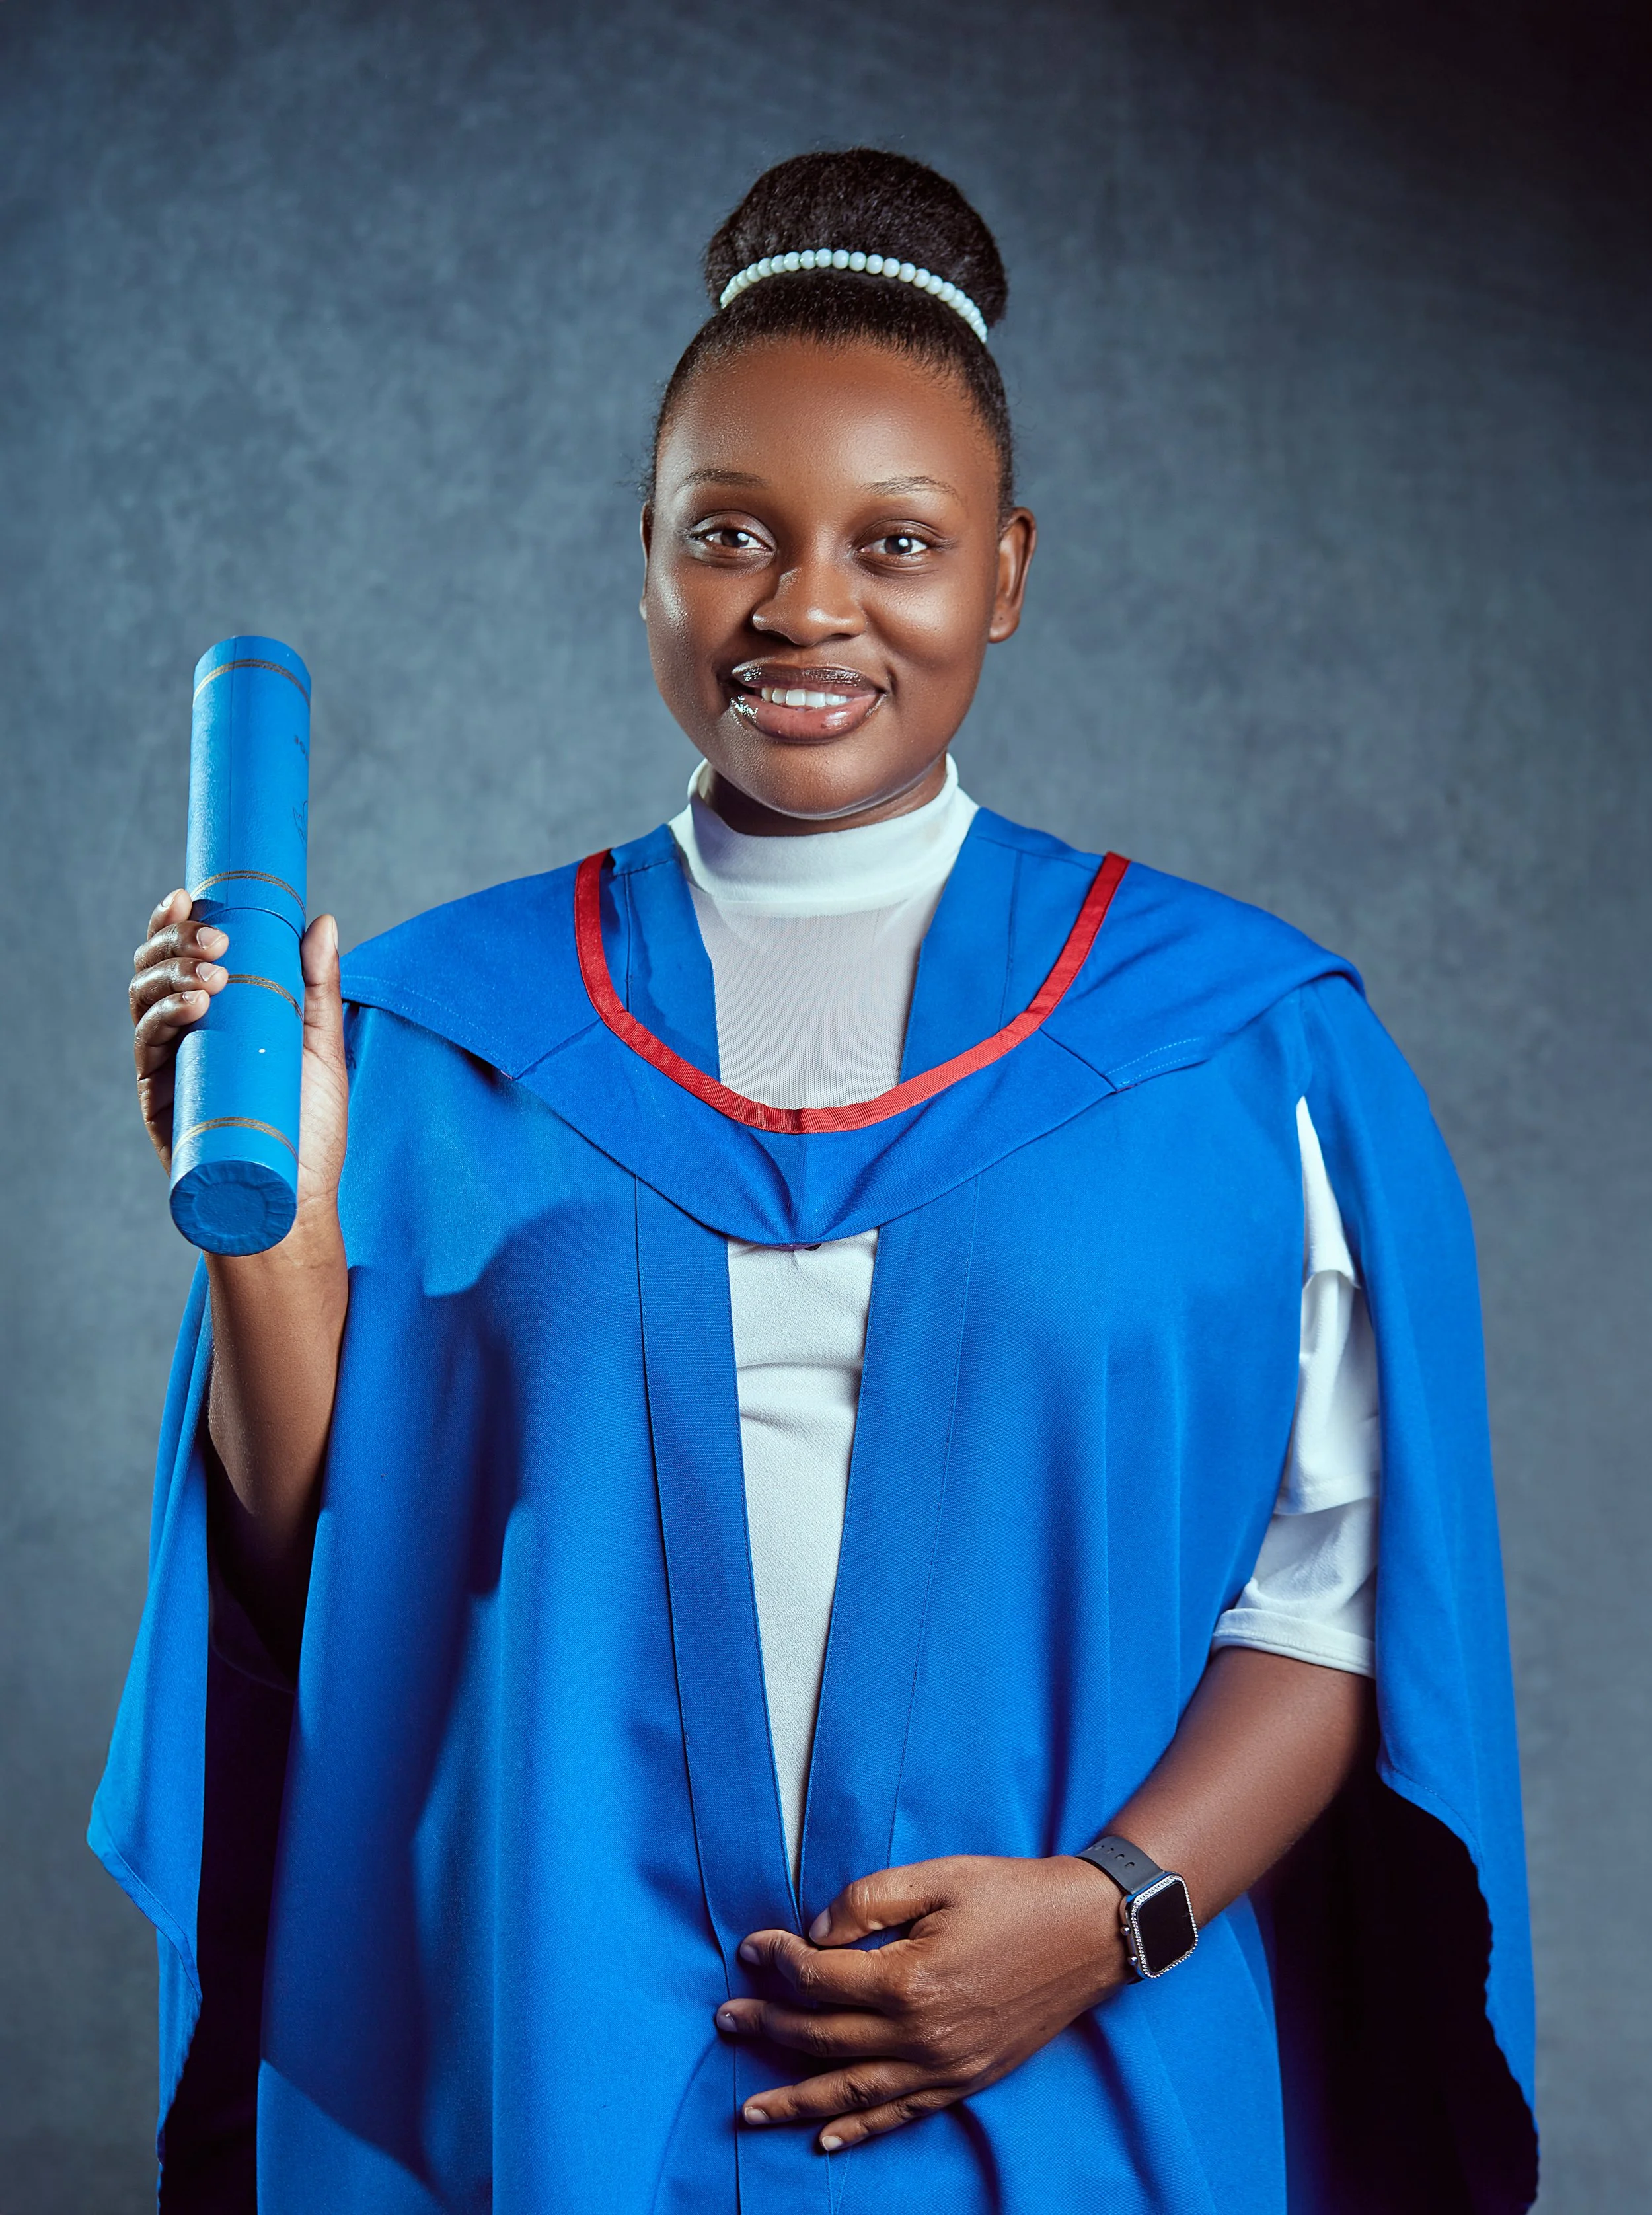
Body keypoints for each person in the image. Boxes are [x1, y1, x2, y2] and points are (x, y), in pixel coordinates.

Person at [100, 149, 1537, 2212]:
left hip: (1070, 2069)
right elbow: (337, 1566)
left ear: (1008, 569)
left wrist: (1109, 1914)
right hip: (558, 2047)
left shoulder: (1237, 1043)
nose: (805, 608)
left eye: (898, 541)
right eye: (729, 536)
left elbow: (1322, 1595)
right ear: (649, 560)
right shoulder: (426, 1030)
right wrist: (290, 1219)